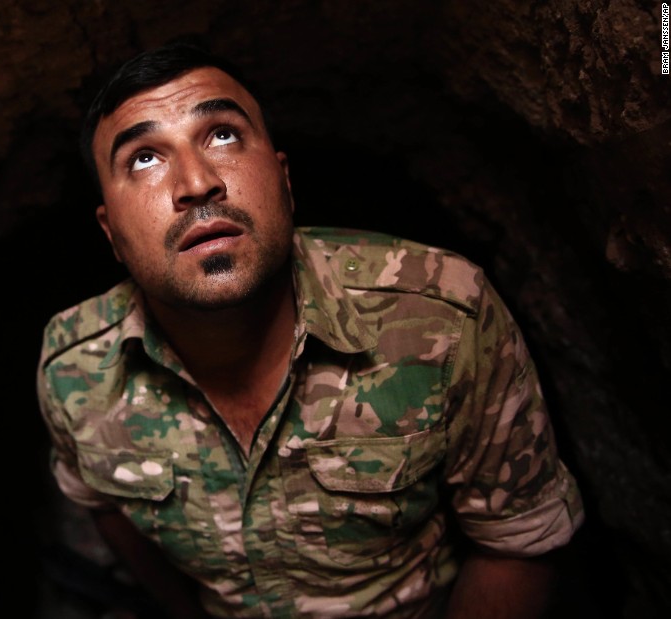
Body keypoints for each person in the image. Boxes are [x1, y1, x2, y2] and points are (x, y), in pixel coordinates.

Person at [37, 43, 583, 618]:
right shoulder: (76, 369)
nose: (196, 182)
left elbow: (515, 542)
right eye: (144, 158)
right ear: (111, 233)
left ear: (284, 178)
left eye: (221, 134)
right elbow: (101, 503)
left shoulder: (443, 316)